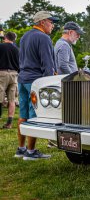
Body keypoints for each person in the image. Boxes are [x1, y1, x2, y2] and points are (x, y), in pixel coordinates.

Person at [16, 11, 58, 160]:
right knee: (34, 116)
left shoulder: (24, 37)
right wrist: (49, 83)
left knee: (23, 114)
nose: (53, 25)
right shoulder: (44, 38)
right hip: (35, 81)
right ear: (42, 22)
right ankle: (31, 152)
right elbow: (48, 63)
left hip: (22, 79)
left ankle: (20, 149)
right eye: (51, 22)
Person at [0, 32, 19, 129]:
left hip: (2, 74)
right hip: (14, 74)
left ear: (5, 37)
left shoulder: (1, 46)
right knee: (12, 100)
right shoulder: (17, 49)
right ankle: (9, 123)